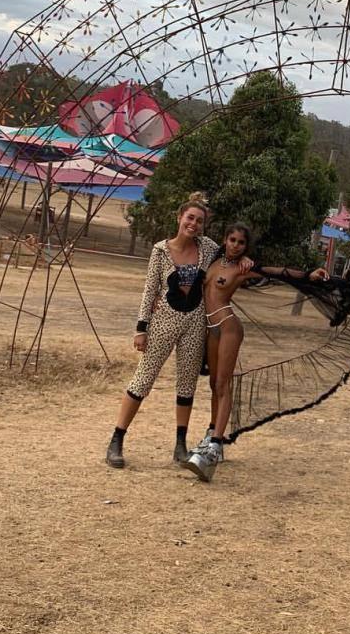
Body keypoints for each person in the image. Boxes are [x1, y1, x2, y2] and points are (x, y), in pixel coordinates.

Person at [105, 193, 253, 470]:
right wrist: (141, 328)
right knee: (143, 379)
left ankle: (180, 444)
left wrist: (245, 258)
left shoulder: (208, 248)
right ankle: (117, 439)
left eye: (199, 221)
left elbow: (232, 253)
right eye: (190, 218)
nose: (193, 224)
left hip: (194, 323)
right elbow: (150, 290)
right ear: (179, 218)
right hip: (164, 321)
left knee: (187, 385)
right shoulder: (161, 251)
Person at [184, 222, 328, 481]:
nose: (236, 245)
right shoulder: (212, 260)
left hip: (228, 328)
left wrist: (309, 275)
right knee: (214, 384)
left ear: (245, 246)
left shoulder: (244, 268)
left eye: (241, 242)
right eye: (232, 240)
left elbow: (279, 272)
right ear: (225, 240)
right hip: (211, 329)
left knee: (224, 384)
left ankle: (215, 446)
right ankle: (211, 434)